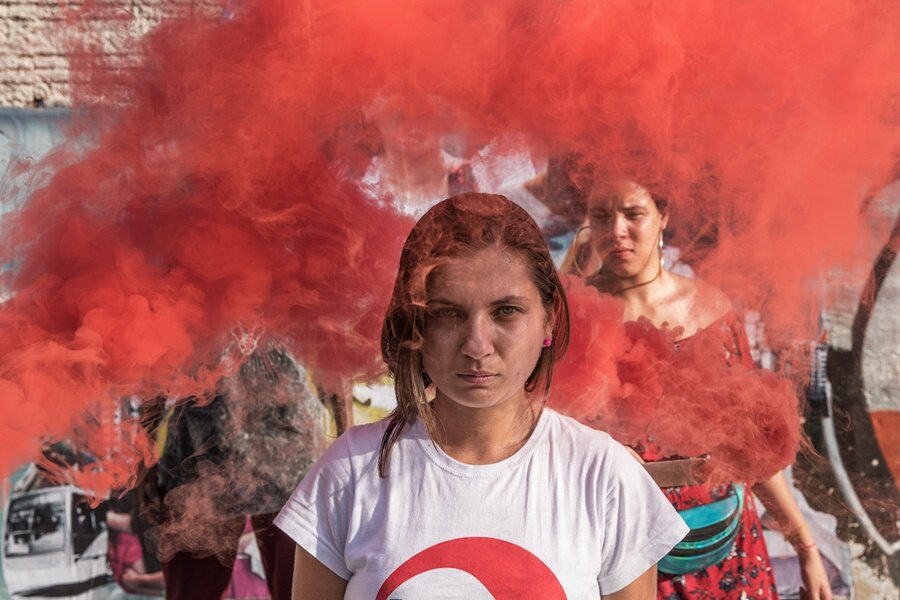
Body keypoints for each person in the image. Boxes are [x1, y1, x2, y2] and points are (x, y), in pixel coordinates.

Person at [276, 193, 690, 599]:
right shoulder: (349, 473)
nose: (477, 345)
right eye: (447, 313)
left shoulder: (605, 476)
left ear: (549, 319)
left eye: (505, 311)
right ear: (414, 324)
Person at [580, 180, 832, 600]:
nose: (616, 230)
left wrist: (805, 544)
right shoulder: (571, 316)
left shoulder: (713, 311)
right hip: (624, 559)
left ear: (663, 216)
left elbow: (751, 444)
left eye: (633, 214)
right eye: (602, 216)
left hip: (726, 551)